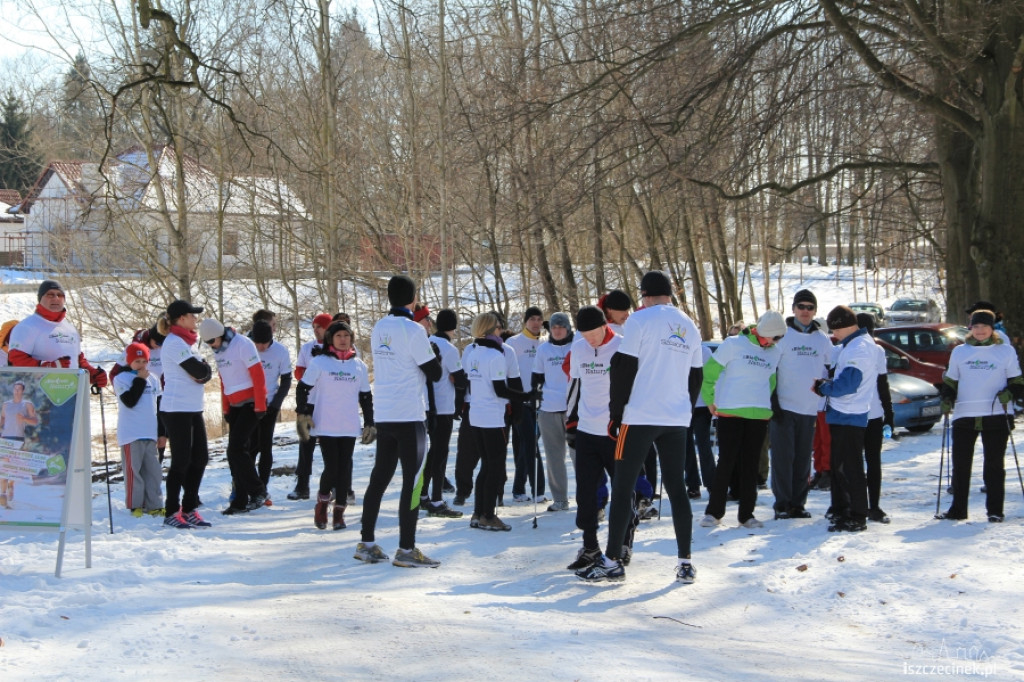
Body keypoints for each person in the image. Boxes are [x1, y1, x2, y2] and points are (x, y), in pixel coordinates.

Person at [576, 271, 703, 584]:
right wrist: (684, 407)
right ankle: (685, 561)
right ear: (670, 294)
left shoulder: (640, 321)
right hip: (675, 418)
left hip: (641, 414)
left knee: (623, 486)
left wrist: (616, 414)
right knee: (676, 488)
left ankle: (612, 560)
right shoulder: (689, 324)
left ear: (644, 295)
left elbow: (623, 368)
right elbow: (696, 374)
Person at [356, 275, 443, 568]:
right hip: (409, 414)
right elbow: (435, 373)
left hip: (385, 413)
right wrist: (436, 355)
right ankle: (406, 549)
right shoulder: (414, 330)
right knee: (413, 482)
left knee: (379, 478)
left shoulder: (380, 327)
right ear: (413, 299)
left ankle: (366, 542)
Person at [564, 306, 639, 571]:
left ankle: (623, 543)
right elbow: (574, 387)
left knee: (622, 491)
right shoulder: (579, 349)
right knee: (585, 494)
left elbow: (635, 388)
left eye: (593, 333)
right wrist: (570, 423)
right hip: (586, 431)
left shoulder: (622, 346)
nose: (590, 339)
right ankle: (590, 546)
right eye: (584, 334)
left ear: (604, 326)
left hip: (616, 432)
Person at [700, 310, 785, 529]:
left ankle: (747, 514)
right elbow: (710, 372)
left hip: (759, 415)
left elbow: (772, 381)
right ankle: (713, 512)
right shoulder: (733, 344)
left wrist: (766, 404)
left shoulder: (775, 352)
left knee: (751, 466)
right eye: (773, 337)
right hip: (731, 412)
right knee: (726, 463)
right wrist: (710, 399)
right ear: (762, 332)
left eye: (779, 338)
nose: (775, 342)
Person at [939, 309, 1024, 522]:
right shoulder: (960, 352)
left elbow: (1017, 382)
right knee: (960, 464)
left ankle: (995, 511)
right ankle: (958, 510)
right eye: (976, 326)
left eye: (984, 326)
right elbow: (950, 381)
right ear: (970, 328)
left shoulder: (1005, 351)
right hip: (965, 414)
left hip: (996, 414)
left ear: (992, 328)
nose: (980, 330)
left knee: (994, 465)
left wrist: (1010, 393)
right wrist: (947, 397)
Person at [294, 320, 374, 530]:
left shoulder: (359, 366)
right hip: (326, 423)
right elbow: (302, 388)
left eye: (346, 336)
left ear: (351, 339)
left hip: (348, 424)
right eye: (338, 336)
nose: (342, 340)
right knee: (332, 467)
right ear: (330, 338)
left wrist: (369, 422)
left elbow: (365, 396)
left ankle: (339, 512)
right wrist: (303, 414)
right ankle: (322, 504)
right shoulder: (320, 363)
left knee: (345, 468)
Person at [463, 312, 538, 532]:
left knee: (486, 465)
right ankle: (487, 514)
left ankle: (478, 513)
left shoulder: (472, 353)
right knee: (495, 467)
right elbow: (500, 389)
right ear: (489, 330)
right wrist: (526, 398)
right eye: (498, 328)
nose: (501, 331)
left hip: (476, 415)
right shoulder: (496, 355)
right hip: (492, 417)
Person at [813, 305, 881, 533]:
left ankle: (857, 514)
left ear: (846, 326)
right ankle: (842, 509)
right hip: (843, 413)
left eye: (835, 329)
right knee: (839, 465)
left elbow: (848, 384)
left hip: (850, 414)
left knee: (849, 467)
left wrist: (825, 388)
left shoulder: (859, 348)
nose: (833, 335)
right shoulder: (852, 345)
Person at [768, 290, 832, 519]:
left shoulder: (821, 338)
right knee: (783, 459)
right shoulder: (783, 336)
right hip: (784, 407)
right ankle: (782, 504)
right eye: (801, 306)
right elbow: (770, 370)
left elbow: (831, 367)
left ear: (815, 311)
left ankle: (798, 504)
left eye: (810, 307)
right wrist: (773, 402)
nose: (805, 311)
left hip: (809, 408)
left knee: (803, 458)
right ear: (793, 309)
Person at [200, 317, 268, 515]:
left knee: (236, 449)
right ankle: (239, 500)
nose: (212, 346)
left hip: (251, 403)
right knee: (235, 453)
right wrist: (226, 408)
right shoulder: (218, 351)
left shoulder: (242, 344)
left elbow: (258, 374)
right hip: (235, 405)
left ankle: (258, 491)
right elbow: (223, 380)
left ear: (220, 334)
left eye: (212, 341)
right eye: (208, 343)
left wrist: (261, 403)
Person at [158, 300, 214, 529]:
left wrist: (204, 370)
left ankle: (189, 507)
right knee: (181, 461)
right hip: (176, 408)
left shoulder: (188, 343)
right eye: (193, 316)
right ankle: (172, 511)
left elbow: (204, 373)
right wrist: (203, 370)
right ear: (181, 318)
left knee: (200, 458)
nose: (196, 319)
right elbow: (199, 370)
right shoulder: (173, 342)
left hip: (193, 407)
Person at [8, 279, 107, 389]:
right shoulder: (26, 326)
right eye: (50, 295)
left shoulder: (70, 329)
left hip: (70, 394)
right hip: (39, 397)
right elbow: (15, 362)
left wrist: (92, 374)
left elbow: (77, 360)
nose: (56, 298)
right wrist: (48, 367)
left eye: (60, 295)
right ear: (40, 298)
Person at [423, 308, 467, 518]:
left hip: (425, 406)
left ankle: (423, 494)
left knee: (430, 454)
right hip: (443, 407)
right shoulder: (449, 349)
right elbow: (459, 379)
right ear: (453, 326)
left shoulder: (427, 343)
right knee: (440, 454)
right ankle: (437, 499)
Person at [114, 342, 164, 517]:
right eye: (137, 361)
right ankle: (136, 505)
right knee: (134, 471)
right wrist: (139, 380)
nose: (141, 365)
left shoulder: (154, 379)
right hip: (131, 433)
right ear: (129, 362)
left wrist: (162, 432)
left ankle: (155, 504)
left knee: (153, 471)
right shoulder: (122, 379)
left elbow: (159, 406)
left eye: (144, 361)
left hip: (150, 431)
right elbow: (129, 401)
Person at [288, 313, 333, 500]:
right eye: (314, 327)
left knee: (330, 446)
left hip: (328, 403)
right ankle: (302, 485)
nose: (316, 330)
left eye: (320, 327)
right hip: (308, 402)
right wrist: (310, 370)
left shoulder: (337, 346)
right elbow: (298, 373)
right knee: (305, 444)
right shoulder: (307, 348)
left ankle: (334, 484)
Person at [533, 311, 574, 511]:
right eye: (554, 327)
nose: (558, 331)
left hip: (573, 409)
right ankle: (560, 498)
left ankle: (588, 496)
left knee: (579, 455)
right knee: (554, 456)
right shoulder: (543, 349)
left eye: (561, 327)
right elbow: (537, 377)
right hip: (549, 408)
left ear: (568, 328)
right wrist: (534, 396)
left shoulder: (577, 346)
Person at [856, 312, 894, 524]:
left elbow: (882, 383)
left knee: (870, 461)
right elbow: (883, 385)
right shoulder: (845, 349)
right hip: (858, 414)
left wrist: (889, 413)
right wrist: (889, 413)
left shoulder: (877, 350)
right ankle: (864, 504)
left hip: (872, 413)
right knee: (864, 462)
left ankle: (873, 505)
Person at [506, 307, 546, 503]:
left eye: (539, 319)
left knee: (526, 446)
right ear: (525, 321)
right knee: (530, 444)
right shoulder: (513, 343)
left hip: (541, 402)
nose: (536, 323)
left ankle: (518, 488)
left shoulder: (545, 344)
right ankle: (538, 490)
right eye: (532, 319)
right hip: (521, 402)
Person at [250, 319, 292, 500]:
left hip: (269, 404)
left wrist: (276, 404)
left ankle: (263, 485)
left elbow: (287, 380)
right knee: (249, 447)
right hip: (248, 404)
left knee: (265, 446)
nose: (260, 347)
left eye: (264, 343)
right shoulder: (245, 346)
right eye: (257, 343)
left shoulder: (280, 351)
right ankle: (247, 484)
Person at [0, 379, 37, 508]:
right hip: (5, 438)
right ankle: (3, 494)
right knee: (4, 465)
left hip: (18, 438)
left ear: (22, 391)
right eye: (15, 388)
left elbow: (35, 421)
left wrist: (24, 419)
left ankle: (11, 485)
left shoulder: (27, 404)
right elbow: (3, 418)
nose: (16, 391)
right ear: (12, 390)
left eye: (19, 389)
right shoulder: (6, 404)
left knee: (13, 467)